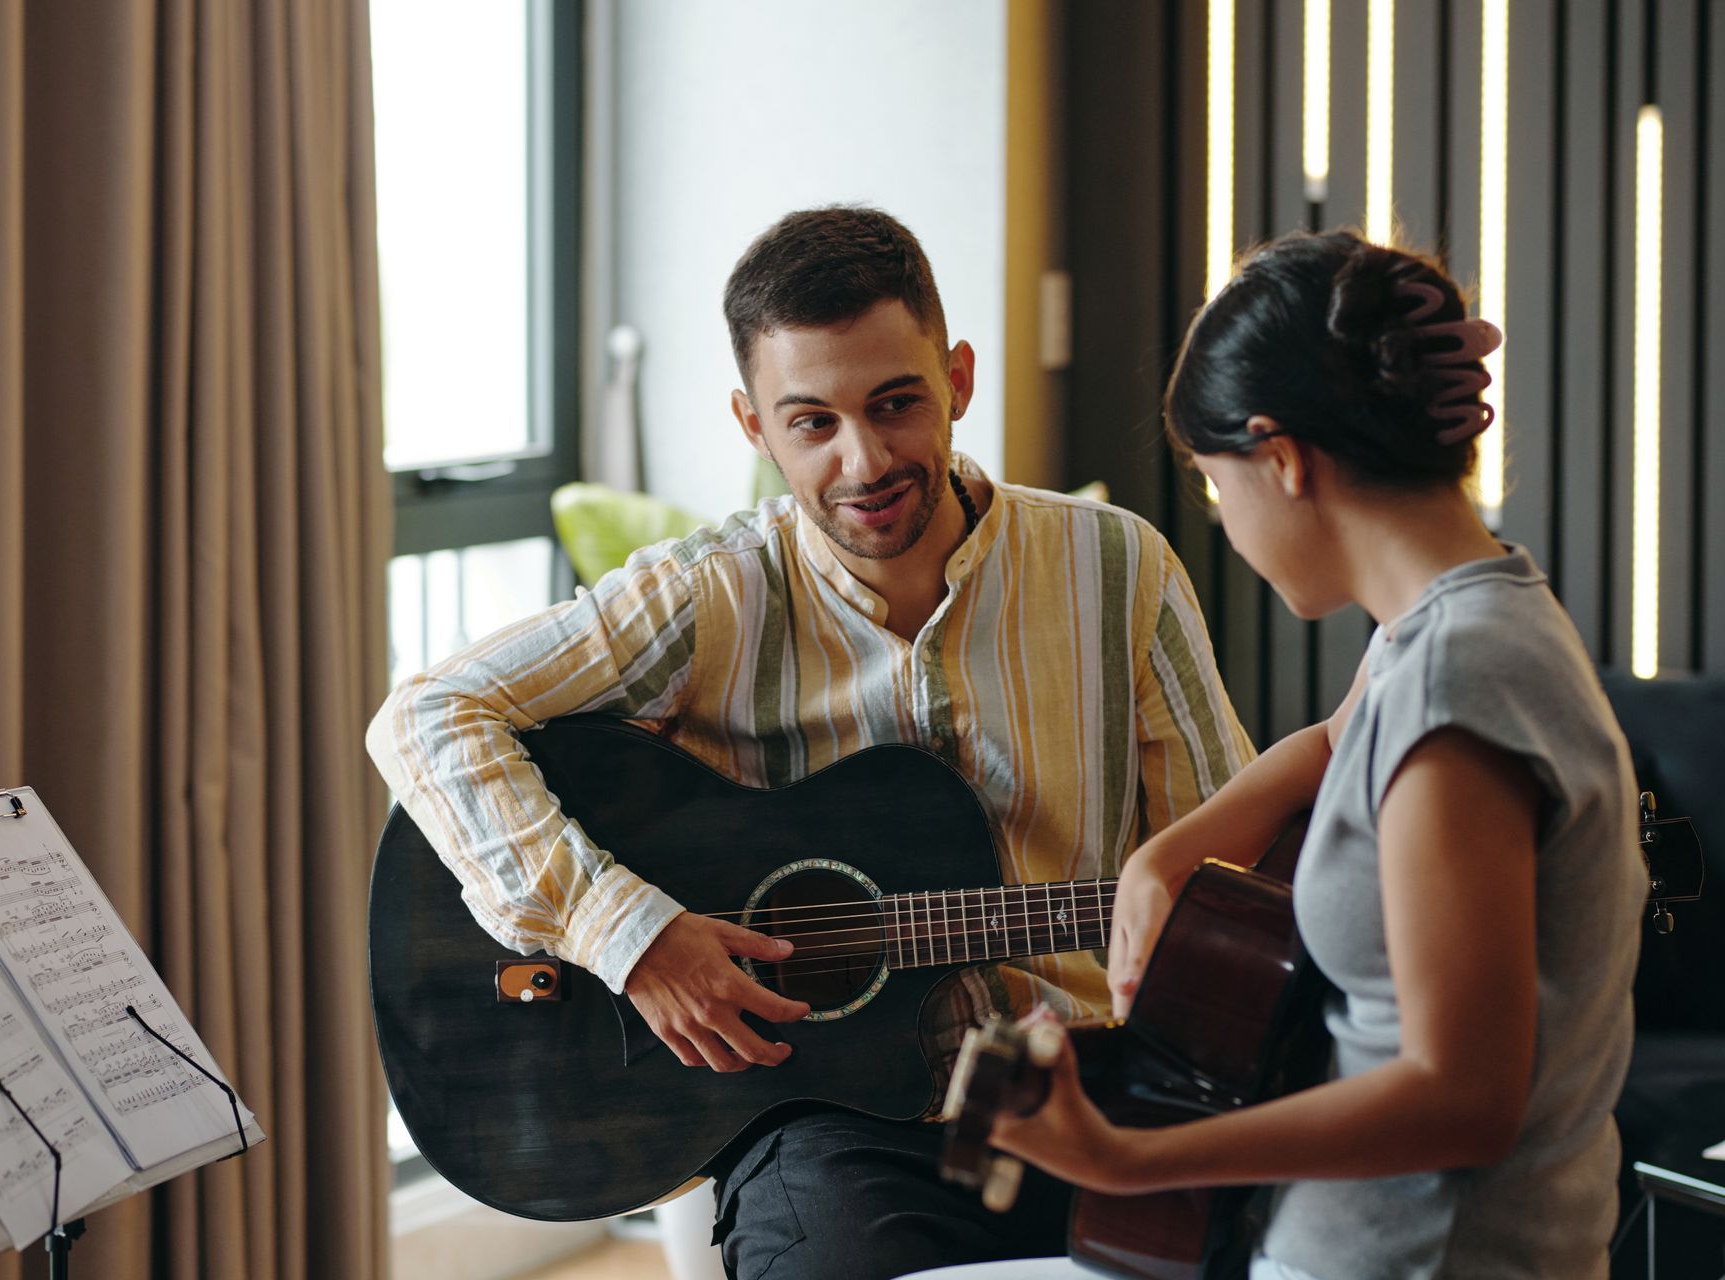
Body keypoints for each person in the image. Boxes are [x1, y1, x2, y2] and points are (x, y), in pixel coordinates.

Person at [367, 205, 1252, 1280]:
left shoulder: (1118, 567)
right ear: (753, 425)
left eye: (896, 403)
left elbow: (1230, 858)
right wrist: (627, 932)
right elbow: (427, 715)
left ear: (959, 378)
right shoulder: (705, 594)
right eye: (812, 422)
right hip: (831, 1120)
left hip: (1090, 1087)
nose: (864, 459)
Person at [988, 230, 1647, 1279]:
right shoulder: (1451, 622)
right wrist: (1168, 857)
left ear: (1283, 459)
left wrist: (1123, 1156)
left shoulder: (1458, 679)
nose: (1230, 530)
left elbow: (1460, 1099)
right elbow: (1340, 736)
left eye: (1216, 485)